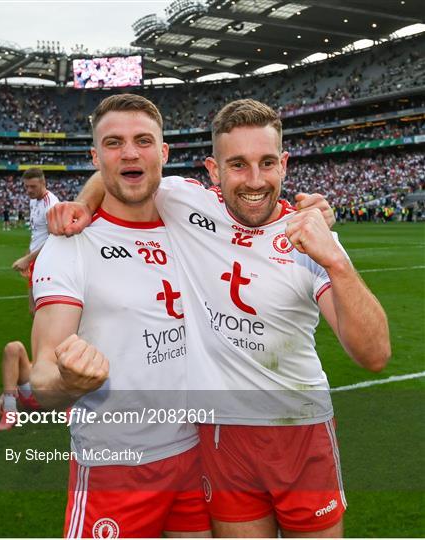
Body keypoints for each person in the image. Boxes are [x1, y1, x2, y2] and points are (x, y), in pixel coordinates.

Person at [48, 98, 390, 538]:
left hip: (299, 429)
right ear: (213, 169)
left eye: (267, 163)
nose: (254, 180)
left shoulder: (309, 236)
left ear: (284, 164)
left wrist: (338, 263)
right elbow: (126, 166)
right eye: (238, 165)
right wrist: (82, 205)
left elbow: (375, 355)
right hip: (220, 435)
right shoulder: (184, 202)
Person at [30, 95, 211, 539]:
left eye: (143, 141)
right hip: (116, 462)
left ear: (163, 153)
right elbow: (42, 375)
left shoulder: (190, 218)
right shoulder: (69, 245)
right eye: (113, 143)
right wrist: (68, 384)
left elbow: (258, 202)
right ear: (95, 157)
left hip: (197, 454)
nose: (130, 152)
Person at [12, 168, 59, 314]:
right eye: (26, 186)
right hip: (36, 258)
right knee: (34, 309)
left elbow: (55, 238)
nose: (29, 190)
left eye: (33, 186)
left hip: (48, 260)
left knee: (41, 309)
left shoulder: (51, 204)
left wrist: (28, 259)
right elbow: (37, 232)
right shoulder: (33, 201)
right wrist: (29, 254)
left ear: (43, 182)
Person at [0, 341, 39, 431]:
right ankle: (10, 409)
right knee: (13, 348)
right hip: (31, 391)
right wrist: (2, 398)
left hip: (58, 395)